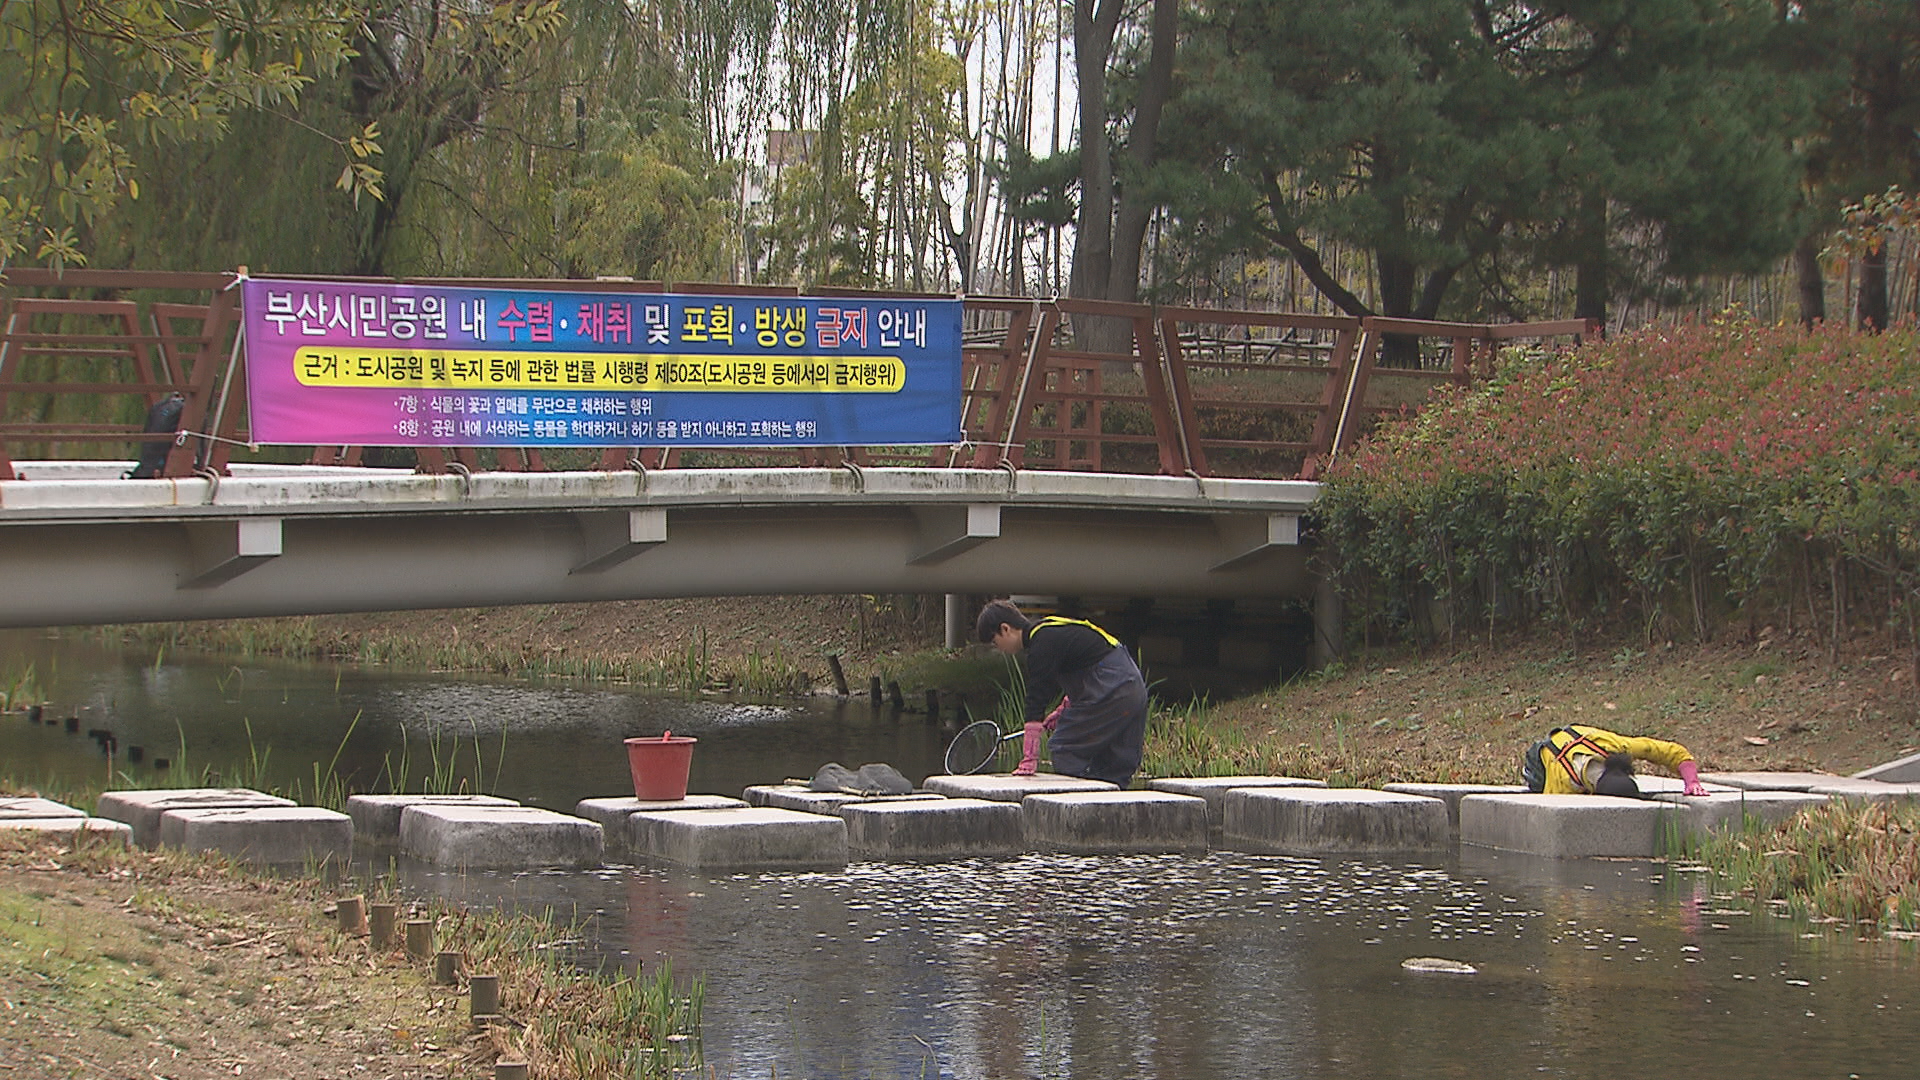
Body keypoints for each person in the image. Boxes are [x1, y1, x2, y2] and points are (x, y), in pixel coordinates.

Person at [976, 600, 1149, 788]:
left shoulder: (1041, 644)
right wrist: (1062, 711)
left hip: (1114, 689)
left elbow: (1036, 699)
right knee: (1115, 768)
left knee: (1064, 748)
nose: (1000, 649)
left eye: (995, 642)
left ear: (1005, 629)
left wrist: (1029, 757)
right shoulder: (1052, 629)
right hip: (1132, 686)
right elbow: (1087, 663)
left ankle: (1082, 802)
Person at [1521, 724, 1709, 797]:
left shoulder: (1614, 746)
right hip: (1542, 760)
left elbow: (1674, 752)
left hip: (1583, 736)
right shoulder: (1559, 788)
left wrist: (1692, 782)